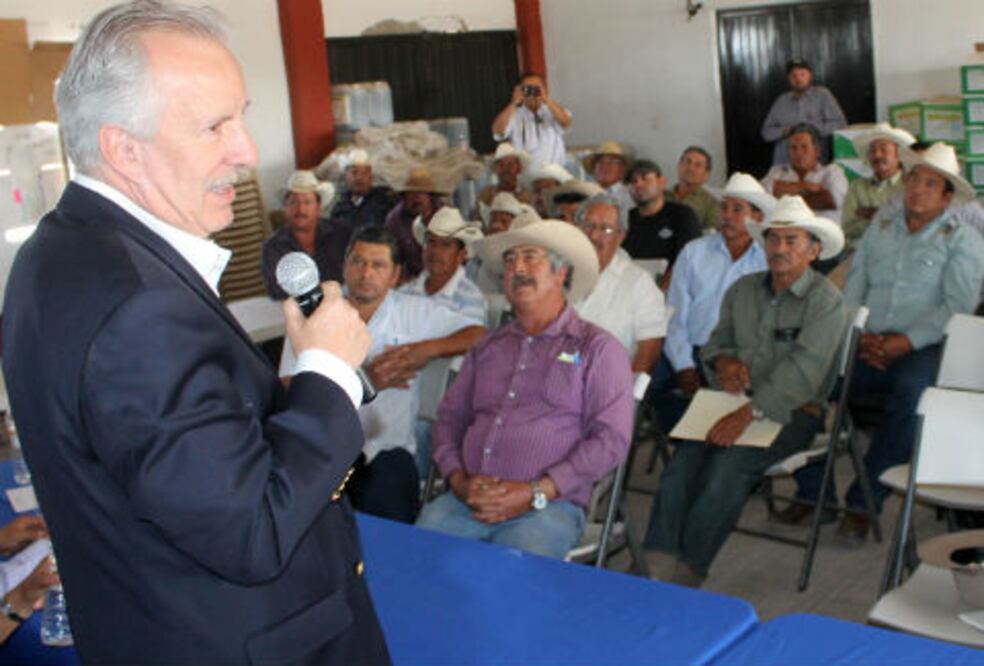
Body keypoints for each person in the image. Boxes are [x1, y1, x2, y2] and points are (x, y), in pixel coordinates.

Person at [1, 3, 389, 663]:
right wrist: (327, 376)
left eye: (242, 116)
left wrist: (271, 401)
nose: (247, 151)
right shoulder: (139, 306)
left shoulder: (56, 253)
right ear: (124, 148)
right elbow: (250, 530)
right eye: (216, 126)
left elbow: (162, 453)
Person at [782, 143, 984, 544]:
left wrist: (905, 342)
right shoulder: (882, 229)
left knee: (911, 400)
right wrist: (859, 332)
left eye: (931, 184)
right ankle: (812, 491)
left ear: (947, 197)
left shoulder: (963, 240)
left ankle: (864, 501)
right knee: (808, 382)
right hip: (868, 340)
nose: (918, 189)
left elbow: (956, 308)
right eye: (913, 179)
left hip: (925, 348)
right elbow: (854, 286)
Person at [644, 195, 847, 587]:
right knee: (684, 462)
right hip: (729, 400)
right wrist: (723, 364)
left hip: (791, 412)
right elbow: (716, 343)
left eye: (792, 241)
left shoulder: (825, 302)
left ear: (814, 249)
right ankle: (657, 559)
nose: (780, 249)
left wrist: (748, 413)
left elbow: (803, 373)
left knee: (727, 468)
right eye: (773, 240)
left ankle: (689, 568)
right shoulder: (744, 289)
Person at [416, 217, 634, 558]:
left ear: (561, 274)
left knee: (510, 575)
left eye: (531, 257)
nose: (518, 267)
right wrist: (458, 481)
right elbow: (449, 420)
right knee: (417, 560)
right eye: (509, 260)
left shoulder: (597, 348)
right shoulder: (488, 347)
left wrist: (536, 491)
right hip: (466, 501)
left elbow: (611, 440)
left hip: (548, 507)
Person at [281, 226, 486, 523]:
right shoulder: (314, 314)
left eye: (378, 265)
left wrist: (427, 349)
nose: (366, 273)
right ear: (345, 265)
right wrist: (365, 381)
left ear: (395, 275)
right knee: (313, 527)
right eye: (358, 262)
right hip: (325, 451)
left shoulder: (416, 312)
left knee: (393, 529)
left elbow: (481, 335)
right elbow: (286, 389)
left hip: (389, 451)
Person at [651, 173, 772, 430]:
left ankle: (707, 439)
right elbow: (674, 315)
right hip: (692, 350)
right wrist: (684, 366)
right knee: (647, 382)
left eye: (737, 209)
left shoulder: (768, 260)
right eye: (724, 208)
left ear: (757, 218)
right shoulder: (695, 252)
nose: (727, 215)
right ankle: (689, 438)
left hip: (741, 355)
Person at [572, 194, 667, 373]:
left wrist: (625, 393)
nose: (594, 235)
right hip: (553, 377)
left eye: (606, 229)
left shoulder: (639, 283)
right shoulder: (558, 273)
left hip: (606, 384)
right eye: (588, 226)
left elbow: (650, 348)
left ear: (621, 236)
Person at [260, 169, 343, 299]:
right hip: (296, 310)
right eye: (293, 202)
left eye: (307, 202)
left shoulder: (340, 234)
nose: (300, 209)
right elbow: (276, 292)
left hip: (339, 304)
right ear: (285, 207)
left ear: (318, 206)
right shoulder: (273, 247)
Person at [623, 159, 702, 285]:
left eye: (645, 178)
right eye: (633, 181)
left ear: (662, 182)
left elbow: (689, 259)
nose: (638, 185)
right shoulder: (625, 219)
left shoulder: (682, 215)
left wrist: (662, 291)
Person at [761, 58, 847, 165]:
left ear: (810, 75)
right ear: (789, 79)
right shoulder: (781, 101)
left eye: (802, 74)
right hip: (784, 165)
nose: (798, 79)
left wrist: (812, 129)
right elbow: (766, 133)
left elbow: (840, 124)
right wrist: (784, 131)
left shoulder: (823, 95)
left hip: (815, 165)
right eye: (793, 75)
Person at [840, 123, 914, 247]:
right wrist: (886, 216)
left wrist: (872, 215)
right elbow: (848, 228)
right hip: (859, 253)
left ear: (898, 155)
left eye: (883, 149)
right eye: (872, 150)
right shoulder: (857, 187)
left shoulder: (910, 186)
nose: (877, 155)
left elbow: (911, 226)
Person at [761, 123, 848, 219]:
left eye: (804, 147)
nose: (798, 153)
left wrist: (782, 196)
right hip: (785, 232)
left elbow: (832, 200)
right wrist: (805, 186)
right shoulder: (777, 171)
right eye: (793, 148)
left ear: (817, 151)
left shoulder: (832, 171)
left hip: (820, 232)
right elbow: (762, 195)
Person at [491, 72, 572, 165]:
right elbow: (497, 132)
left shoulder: (552, 110)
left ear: (544, 88)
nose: (532, 92)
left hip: (553, 171)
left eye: (536, 88)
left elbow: (566, 122)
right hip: (526, 173)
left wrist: (546, 100)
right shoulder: (514, 113)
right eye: (528, 88)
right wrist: (513, 103)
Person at [384, 166, 448, 281]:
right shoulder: (394, 220)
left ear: (430, 195)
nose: (417, 197)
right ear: (403, 196)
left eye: (422, 192)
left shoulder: (447, 215)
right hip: (411, 281)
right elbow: (392, 258)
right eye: (411, 192)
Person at [327, 147, 395, 235]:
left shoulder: (384, 202)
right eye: (354, 172)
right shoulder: (340, 206)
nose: (359, 178)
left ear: (371, 177)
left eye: (364, 173)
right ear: (346, 176)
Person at [664, 146, 720, 232]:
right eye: (687, 162)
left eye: (697, 165)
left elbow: (711, 237)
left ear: (706, 174)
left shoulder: (711, 204)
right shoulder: (660, 197)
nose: (691, 168)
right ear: (679, 166)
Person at [584, 140, 635, 228]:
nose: (605, 166)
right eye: (600, 162)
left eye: (612, 162)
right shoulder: (586, 193)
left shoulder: (631, 194)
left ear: (622, 169)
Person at [477, 142, 532, 208]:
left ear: (519, 168)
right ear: (496, 169)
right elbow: (476, 216)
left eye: (510, 165)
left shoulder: (528, 196)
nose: (506, 169)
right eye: (501, 165)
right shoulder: (487, 195)